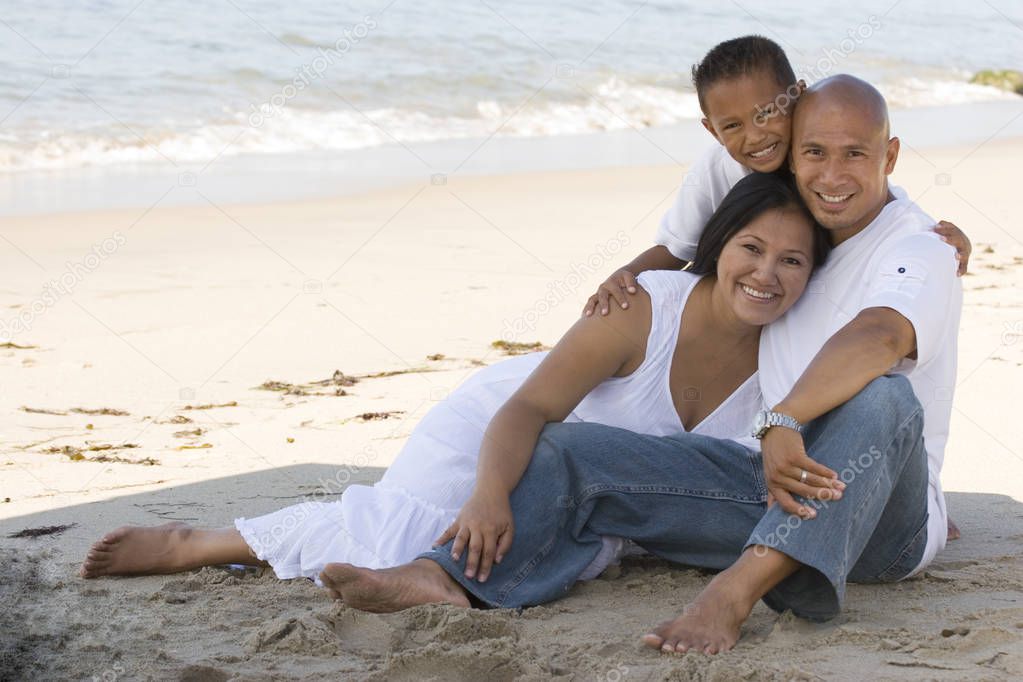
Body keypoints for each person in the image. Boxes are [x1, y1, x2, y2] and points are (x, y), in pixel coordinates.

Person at [318, 76, 963, 659]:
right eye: (815, 152)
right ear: (793, 154)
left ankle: (732, 595)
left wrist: (783, 417)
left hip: (878, 523)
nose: (832, 172)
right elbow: (712, 216)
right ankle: (446, 578)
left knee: (883, 399)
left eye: (856, 153)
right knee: (571, 448)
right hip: (773, 485)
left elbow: (880, 334)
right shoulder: (805, 227)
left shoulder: (918, 246)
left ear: (891, 156)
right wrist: (631, 276)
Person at [80, 171, 830, 582]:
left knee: (532, 559)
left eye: (790, 260)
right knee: (406, 542)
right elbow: (527, 407)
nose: (765, 274)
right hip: (497, 434)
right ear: (715, 244)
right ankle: (202, 543)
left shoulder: (789, 358)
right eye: (749, 248)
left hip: (585, 483)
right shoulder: (642, 308)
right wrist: (487, 492)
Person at [582, 35, 970, 319]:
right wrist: (623, 277)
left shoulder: (819, 152)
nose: (756, 136)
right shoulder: (715, 170)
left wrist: (936, 234)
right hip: (740, 290)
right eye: (732, 125)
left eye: (767, 113)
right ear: (712, 131)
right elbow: (674, 249)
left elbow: (874, 193)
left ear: (797, 96)